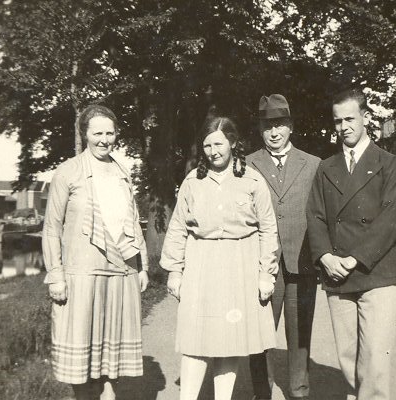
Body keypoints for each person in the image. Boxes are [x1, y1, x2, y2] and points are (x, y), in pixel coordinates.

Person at [160, 116, 279, 400]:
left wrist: (266, 274)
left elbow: (268, 228)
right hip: (201, 264)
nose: (213, 151)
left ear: (233, 143)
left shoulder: (252, 181)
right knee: (195, 339)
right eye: (207, 145)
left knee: (230, 342)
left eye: (218, 144)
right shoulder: (193, 181)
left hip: (241, 266)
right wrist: (175, 271)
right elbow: (178, 227)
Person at [42, 104, 149, 400]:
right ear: (85, 134)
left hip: (121, 270)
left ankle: (109, 395)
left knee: (110, 347)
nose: (104, 139)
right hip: (83, 273)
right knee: (81, 352)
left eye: (110, 132)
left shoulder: (122, 172)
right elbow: (51, 228)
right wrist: (56, 275)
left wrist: (142, 266)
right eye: (97, 133)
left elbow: (133, 220)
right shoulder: (68, 172)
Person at [306, 88, 396, 400]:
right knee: (348, 358)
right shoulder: (327, 168)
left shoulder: (387, 163)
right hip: (337, 273)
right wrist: (324, 257)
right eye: (338, 121)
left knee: (375, 360)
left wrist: (354, 259)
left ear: (366, 117)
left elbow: (393, 218)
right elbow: (316, 216)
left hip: (375, 272)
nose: (344, 127)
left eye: (350, 118)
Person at [247, 94, 320, 400]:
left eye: (279, 125)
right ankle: (261, 393)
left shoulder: (314, 164)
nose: (274, 132)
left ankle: (299, 392)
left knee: (300, 334)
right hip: (263, 265)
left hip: (302, 263)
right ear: (260, 130)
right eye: (267, 126)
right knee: (260, 335)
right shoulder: (247, 164)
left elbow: (320, 214)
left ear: (290, 126)